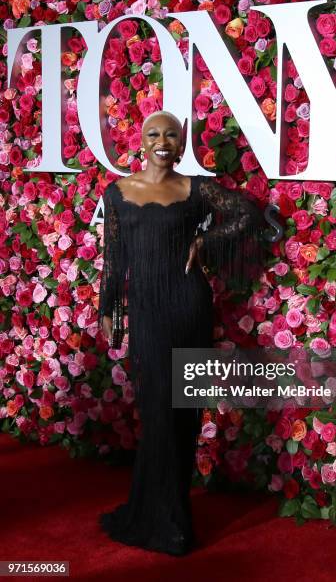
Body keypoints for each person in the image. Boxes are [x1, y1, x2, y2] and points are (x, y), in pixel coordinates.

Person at [97, 110, 265, 556]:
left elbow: (248, 214)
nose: (162, 141)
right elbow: (115, 257)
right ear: (141, 138)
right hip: (148, 314)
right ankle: (151, 511)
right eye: (154, 132)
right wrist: (109, 308)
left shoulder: (195, 190)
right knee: (156, 410)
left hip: (189, 307)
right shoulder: (118, 192)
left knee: (183, 411)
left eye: (172, 134)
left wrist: (205, 242)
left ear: (182, 140)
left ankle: (174, 520)